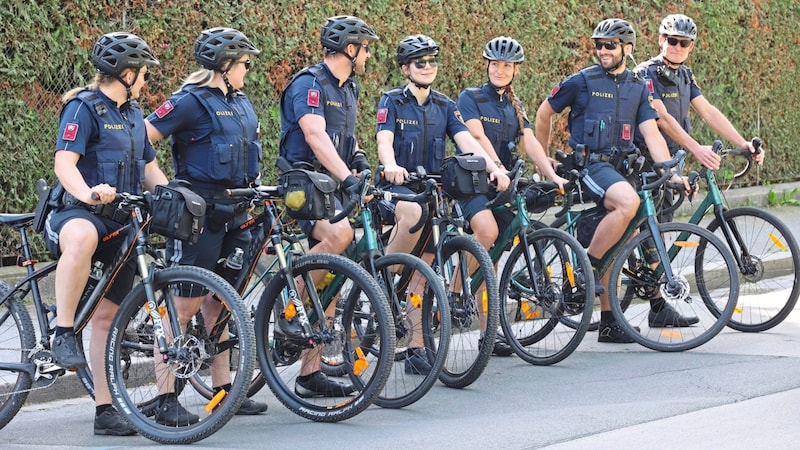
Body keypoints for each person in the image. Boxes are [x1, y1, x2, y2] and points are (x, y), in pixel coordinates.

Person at [534, 18, 693, 343]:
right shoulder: (582, 81)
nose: (603, 50)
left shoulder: (637, 87)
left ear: (627, 49)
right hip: (589, 167)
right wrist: (544, 160)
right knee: (629, 203)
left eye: (611, 45)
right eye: (599, 45)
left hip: (622, 170)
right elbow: (543, 114)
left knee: (627, 231)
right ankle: (586, 268)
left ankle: (608, 321)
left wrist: (670, 171)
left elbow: (651, 132)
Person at [43, 31, 166, 435]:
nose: (146, 81)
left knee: (108, 317)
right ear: (127, 73)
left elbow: (149, 169)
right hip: (79, 213)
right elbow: (65, 164)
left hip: (122, 222)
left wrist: (169, 196)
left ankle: (104, 410)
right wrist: (89, 194)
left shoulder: (133, 114)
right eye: (144, 73)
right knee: (81, 237)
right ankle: (63, 331)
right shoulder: (83, 108)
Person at [145, 27, 268, 423]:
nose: (248, 70)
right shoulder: (190, 101)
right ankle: (165, 397)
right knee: (183, 306)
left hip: (237, 214)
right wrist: (166, 189)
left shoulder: (242, 103)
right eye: (245, 64)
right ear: (226, 65)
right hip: (198, 217)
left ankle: (224, 391)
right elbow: (141, 139)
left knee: (223, 304)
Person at [376, 34, 511, 368]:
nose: (427, 68)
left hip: (433, 192)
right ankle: (379, 276)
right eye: (419, 62)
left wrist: (493, 168)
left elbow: (468, 142)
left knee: (425, 269)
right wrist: (391, 165)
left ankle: (416, 349)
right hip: (400, 191)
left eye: (432, 62)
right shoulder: (391, 100)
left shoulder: (446, 105)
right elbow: (384, 140)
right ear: (405, 68)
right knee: (412, 228)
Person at [278, 15, 378, 397]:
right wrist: (348, 180)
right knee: (338, 235)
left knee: (335, 273)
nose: (368, 55)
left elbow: (345, 141)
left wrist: (362, 163)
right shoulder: (310, 83)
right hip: (301, 184)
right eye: (365, 48)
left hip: (329, 185)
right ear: (350, 49)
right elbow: (316, 137)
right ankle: (288, 308)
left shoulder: (348, 88)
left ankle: (310, 372)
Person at [457, 36, 568, 357]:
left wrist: (551, 174)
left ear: (515, 69)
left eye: (506, 66)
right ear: (487, 65)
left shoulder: (514, 105)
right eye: (495, 65)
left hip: (504, 184)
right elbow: (475, 135)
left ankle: (487, 333)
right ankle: (454, 291)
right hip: (474, 182)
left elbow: (530, 142)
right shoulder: (471, 97)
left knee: (491, 260)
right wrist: (496, 168)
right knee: (487, 233)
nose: (500, 70)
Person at [634, 13, 764, 222]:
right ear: (661, 40)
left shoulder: (685, 75)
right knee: (644, 232)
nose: (677, 46)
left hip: (671, 159)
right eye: (672, 40)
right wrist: (697, 149)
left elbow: (708, 112)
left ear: (691, 47)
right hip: (645, 161)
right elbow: (662, 118)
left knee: (663, 224)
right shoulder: (645, 73)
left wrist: (742, 142)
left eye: (684, 42)